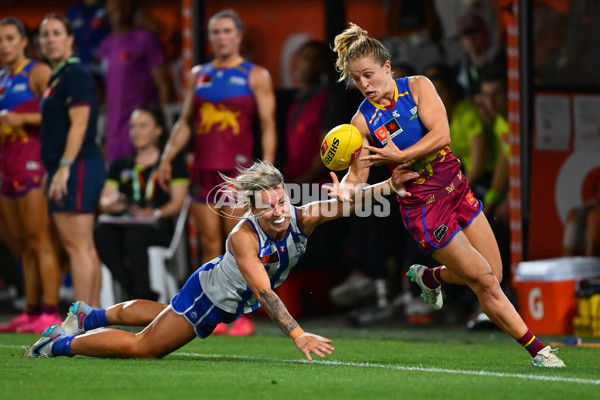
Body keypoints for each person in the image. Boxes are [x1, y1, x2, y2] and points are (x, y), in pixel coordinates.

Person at [331, 23, 565, 367]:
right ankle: (539, 351)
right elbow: (357, 177)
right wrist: (345, 189)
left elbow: (442, 135)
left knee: (494, 274)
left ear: (387, 68)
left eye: (368, 74)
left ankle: (429, 275)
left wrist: (397, 156)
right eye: (357, 79)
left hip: (456, 188)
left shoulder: (418, 87)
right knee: (484, 281)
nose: (364, 84)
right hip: (425, 211)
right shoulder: (361, 123)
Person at [24, 161, 417, 360]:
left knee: (164, 314)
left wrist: (390, 186)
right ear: (251, 209)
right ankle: (57, 345)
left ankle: (87, 315)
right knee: (144, 348)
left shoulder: (301, 216)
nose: (279, 212)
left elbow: (348, 203)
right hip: (210, 299)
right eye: (267, 207)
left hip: (218, 292)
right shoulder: (243, 237)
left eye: (282, 200)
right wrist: (299, 335)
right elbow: (264, 293)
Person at [158, 10, 277, 336]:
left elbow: (268, 125)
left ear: (238, 36)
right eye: (215, 32)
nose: (220, 37)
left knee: (236, 244)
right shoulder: (198, 74)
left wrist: (267, 171)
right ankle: (214, 311)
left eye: (226, 31)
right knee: (208, 243)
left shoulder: (256, 75)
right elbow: (185, 122)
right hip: (203, 171)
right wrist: (167, 157)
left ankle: (240, 315)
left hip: (238, 174)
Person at [38, 13, 106, 307]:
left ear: (70, 39)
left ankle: (79, 319)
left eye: (56, 33)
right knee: (84, 246)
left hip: (77, 165)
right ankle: (88, 319)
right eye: (45, 35)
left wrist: (64, 167)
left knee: (77, 245)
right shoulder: (59, 76)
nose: (50, 40)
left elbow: (80, 123)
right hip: (74, 164)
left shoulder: (74, 74)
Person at [0, 17, 62, 333]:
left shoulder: (36, 72)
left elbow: (58, 113)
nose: (3, 45)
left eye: (9, 38)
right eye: (0, 40)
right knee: (22, 244)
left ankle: (50, 311)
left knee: (40, 241)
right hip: (7, 168)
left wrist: (21, 119)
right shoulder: (2, 79)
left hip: (34, 167)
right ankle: (30, 308)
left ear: (24, 41)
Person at [94, 106, 189, 300]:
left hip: (158, 226)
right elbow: (104, 201)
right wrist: (113, 204)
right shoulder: (120, 165)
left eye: (143, 126)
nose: (136, 132)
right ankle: (134, 289)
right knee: (100, 233)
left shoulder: (172, 164)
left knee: (135, 235)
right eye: (133, 127)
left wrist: (154, 214)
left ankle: (140, 294)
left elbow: (177, 203)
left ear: (158, 130)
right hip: (125, 224)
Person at [99, 0, 173, 162]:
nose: (118, 7)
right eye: (114, 3)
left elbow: (164, 86)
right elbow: (109, 93)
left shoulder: (145, 40)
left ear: (132, 7)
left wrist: (158, 128)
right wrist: (106, 136)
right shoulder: (106, 45)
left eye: (123, 3)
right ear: (107, 7)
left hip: (141, 131)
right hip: (114, 135)